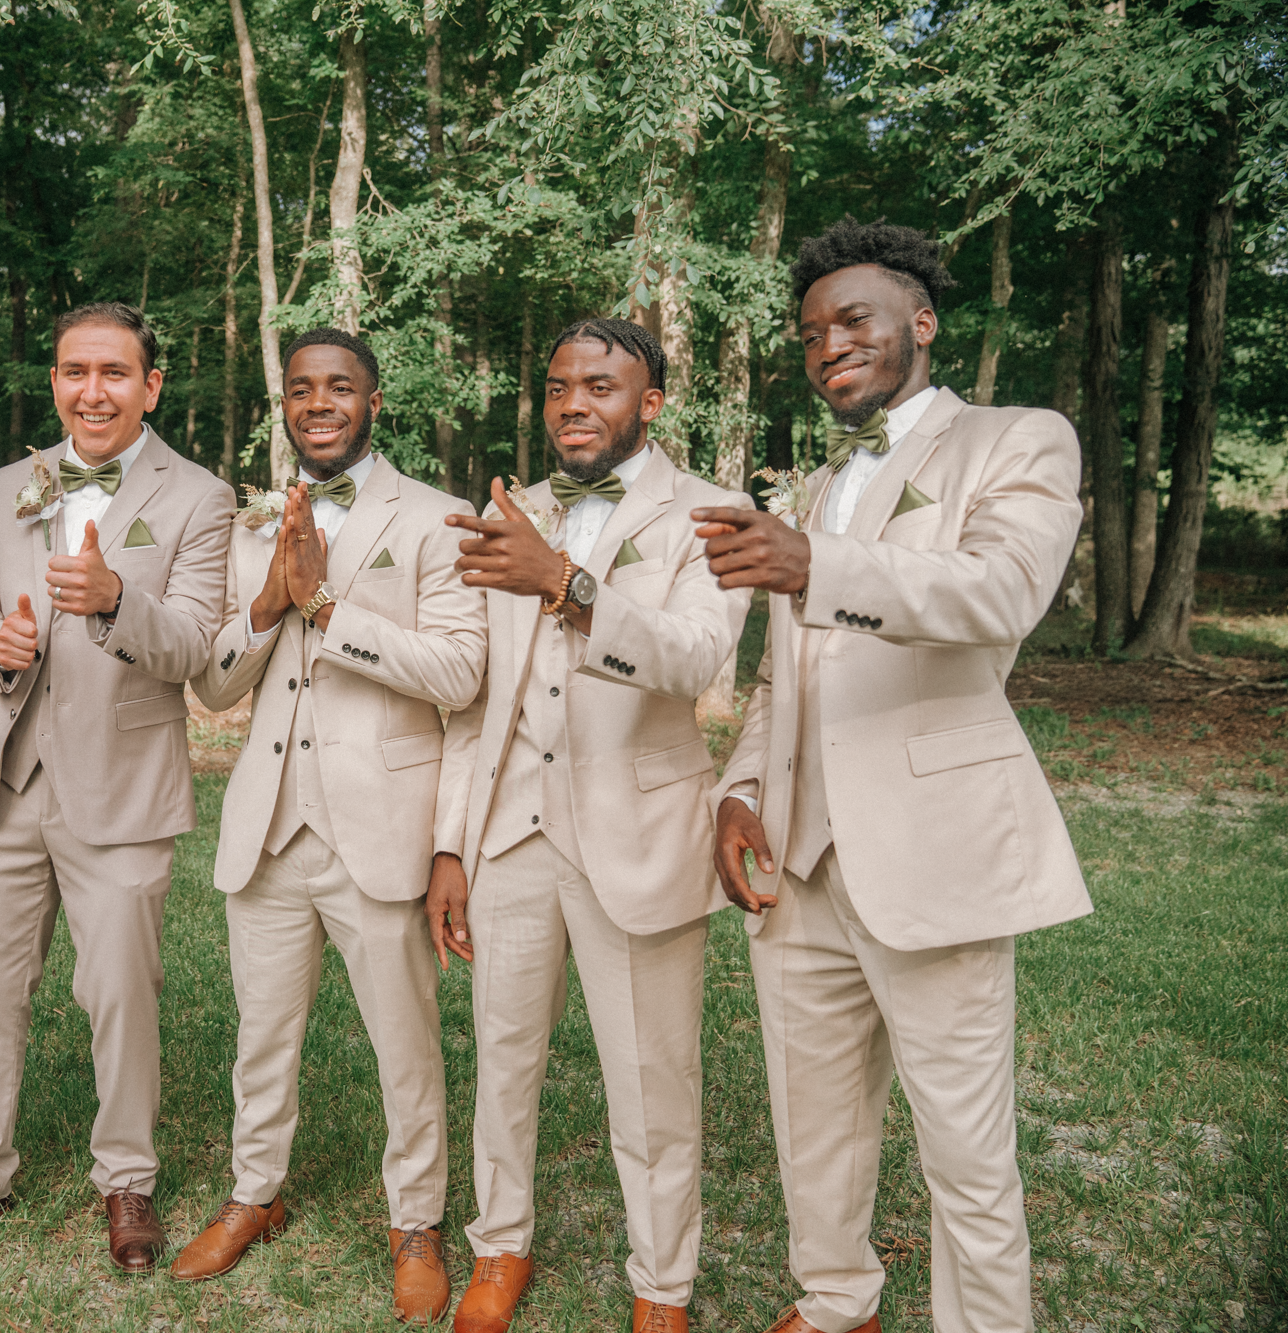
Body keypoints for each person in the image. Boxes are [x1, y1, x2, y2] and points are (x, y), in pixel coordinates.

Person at [696, 217, 1090, 1333]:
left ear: (919, 321)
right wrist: (738, 788)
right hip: (800, 859)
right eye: (811, 332)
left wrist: (815, 561)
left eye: (852, 319)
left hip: (932, 846)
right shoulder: (820, 484)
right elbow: (783, 673)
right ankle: (834, 1301)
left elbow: (997, 594)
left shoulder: (1019, 438)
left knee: (964, 1145)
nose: (827, 346)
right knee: (810, 1114)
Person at [0, 302, 234, 1273]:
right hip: (4, 773)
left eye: (113, 373)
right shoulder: (8, 485)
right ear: (54, 382)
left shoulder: (199, 497)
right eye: (75, 372)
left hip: (120, 783)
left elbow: (199, 647)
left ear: (149, 386)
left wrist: (120, 601)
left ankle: (125, 1177)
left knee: (119, 988)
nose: (92, 391)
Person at [427, 318, 752, 1333]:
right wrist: (450, 840)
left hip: (637, 827)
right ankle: (497, 1244)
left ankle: (661, 1284)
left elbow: (696, 659)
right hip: (510, 831)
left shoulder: (713, 512)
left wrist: (567, 586)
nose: (574, 402)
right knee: (501, 1055)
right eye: (559, 385)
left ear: (648, 403)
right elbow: (475, 700)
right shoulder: (506, 509)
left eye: (601, 386)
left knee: (650, 1078)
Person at [176, 329, 487, 1321]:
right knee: (260, 1035)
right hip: (268, 825)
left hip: (381, 827)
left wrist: (328, 602)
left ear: (373, 400)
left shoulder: (439, 519)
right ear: (285, 405)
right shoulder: (249, 522)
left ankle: (417, 1221)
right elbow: (215, 687)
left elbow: (457, 673)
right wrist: (269, 602)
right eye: (301, 389)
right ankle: (252, 1193)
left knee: (405, 1043)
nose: (318, 403)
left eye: (338, 387)